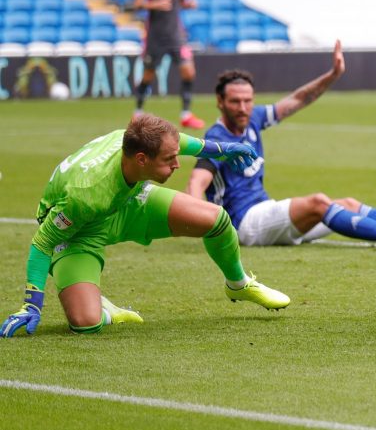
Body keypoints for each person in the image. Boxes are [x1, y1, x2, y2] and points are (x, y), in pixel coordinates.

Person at [0, 114, 289, 338]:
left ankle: (238, 285)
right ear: (141, 159)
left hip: (128, 202)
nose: (177, 164)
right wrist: (32, 303)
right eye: (168, 160)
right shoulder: (86, 195)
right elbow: (42, 242)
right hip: (82, 230)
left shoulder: (137, 142)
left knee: (215, 219)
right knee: (86, 324)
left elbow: (182, 143)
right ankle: (105, 308)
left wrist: (224, 150)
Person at [186, 42, 376, 248]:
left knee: (347, 204)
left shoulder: (254, 118)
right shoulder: (217, 138)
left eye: (248, 100)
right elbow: (197, 181)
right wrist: (203, 224)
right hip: (244, 223)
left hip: (265, 211)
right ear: (220, 102)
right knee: (318, 202)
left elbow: (297, 99)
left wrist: (332, 75)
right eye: (235, 101)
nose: (243, 107)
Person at [132, 0, 204, 129]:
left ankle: (186, 114)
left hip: (175, 35)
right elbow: (137, 3)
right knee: (148, 75)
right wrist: (154, 4)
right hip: (155, 35)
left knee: (188, 71)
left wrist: (189, 4)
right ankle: (138, 112)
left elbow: (180, 2)